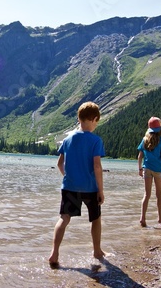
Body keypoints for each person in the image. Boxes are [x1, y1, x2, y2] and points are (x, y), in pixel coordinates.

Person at [48, 101, 106, 268]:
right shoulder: (96, 140)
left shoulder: (67, 139)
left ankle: (54, 253)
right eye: (97, 122)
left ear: (79, 118)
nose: (96, 125)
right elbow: (97, 166)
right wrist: (101, 190)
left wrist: (69, 176)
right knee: (96, 218)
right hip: (90, 188)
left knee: (64, 218)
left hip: (69, 187)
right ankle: (97, 251)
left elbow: (60, 164)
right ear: (94, 119)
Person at [137, 116, 161, 227]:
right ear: (159, 128)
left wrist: (140, 168)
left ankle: (142, 218)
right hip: (158, 170)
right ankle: (160, 219)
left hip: (147, 169)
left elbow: (140, 156)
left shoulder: (144, 140)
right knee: (159, 195)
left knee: (146, 194)